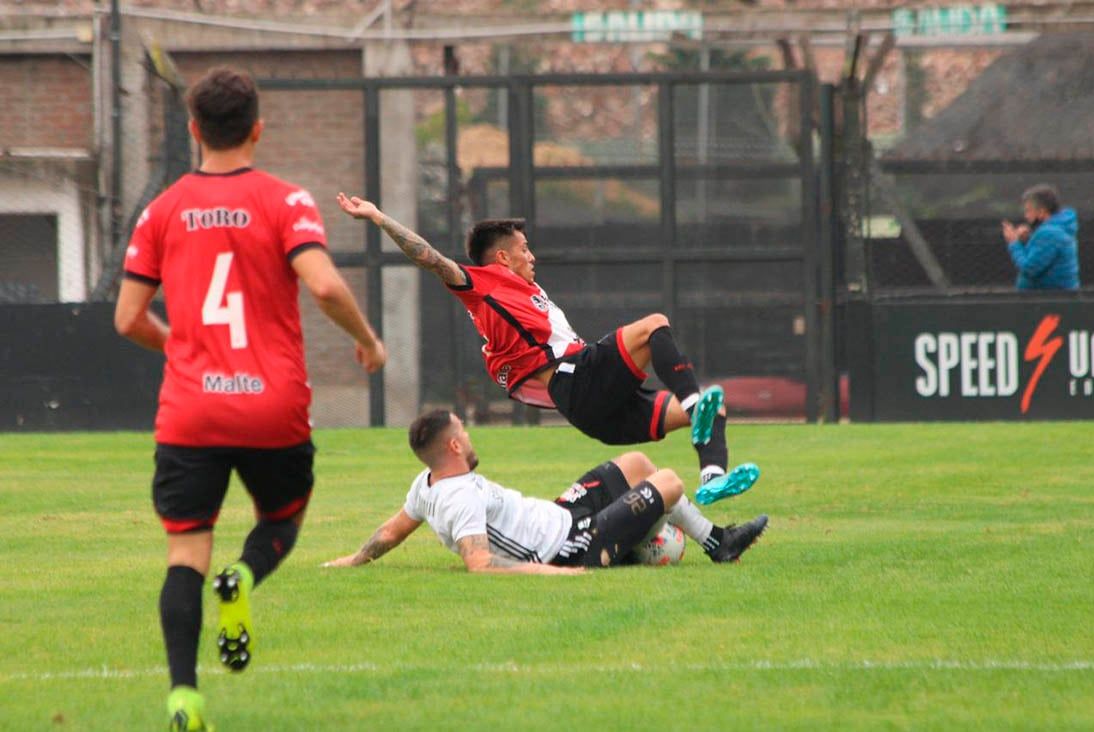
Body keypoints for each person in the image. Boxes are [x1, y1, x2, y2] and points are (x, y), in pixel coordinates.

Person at [115, 67, 386, 732]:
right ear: (257, 129)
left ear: (192, 130)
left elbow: (127, 319)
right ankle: (241, 577)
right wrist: (368, 341)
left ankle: (184, 698)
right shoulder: (286, 201)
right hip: (272, 408)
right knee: (282, 521)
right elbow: (322, 286)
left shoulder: (163, 209)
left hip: (191, 410)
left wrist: (182, 349)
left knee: (184, 553)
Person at [336, 195, 758, 506]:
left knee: (711, 409)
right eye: (523, 248)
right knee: (655, 327)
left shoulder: (526, 288)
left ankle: (712, 478)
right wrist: (378, 217)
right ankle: (695, 404)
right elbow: (429, 258)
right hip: (575, 380)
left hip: (590, 411)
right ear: (501, 258)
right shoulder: (483, 284)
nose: (532, 255)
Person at [323, 410, 768, 573]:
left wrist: (353, 559)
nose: (470, 434)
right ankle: (718, 544)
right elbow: (479, 563)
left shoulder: (428, 484)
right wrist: (557, 573)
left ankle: (683, 541)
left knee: (636, 463)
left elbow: (394, 529)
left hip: (563, 514)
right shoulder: (460, 498)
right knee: (668, 481)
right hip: (572, 547)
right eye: (465, 431)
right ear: (455, 446)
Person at [1001, 184, 1080, 290]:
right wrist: (1028, 240)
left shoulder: (1049, 233)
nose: (1026, 215)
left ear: (1041, 211)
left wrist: (1013, 243)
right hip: (1054, 298)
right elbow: (1042, 256)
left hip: (1049, 301)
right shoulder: (1057, 229)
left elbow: (1029, 269)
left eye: (1028, 210)